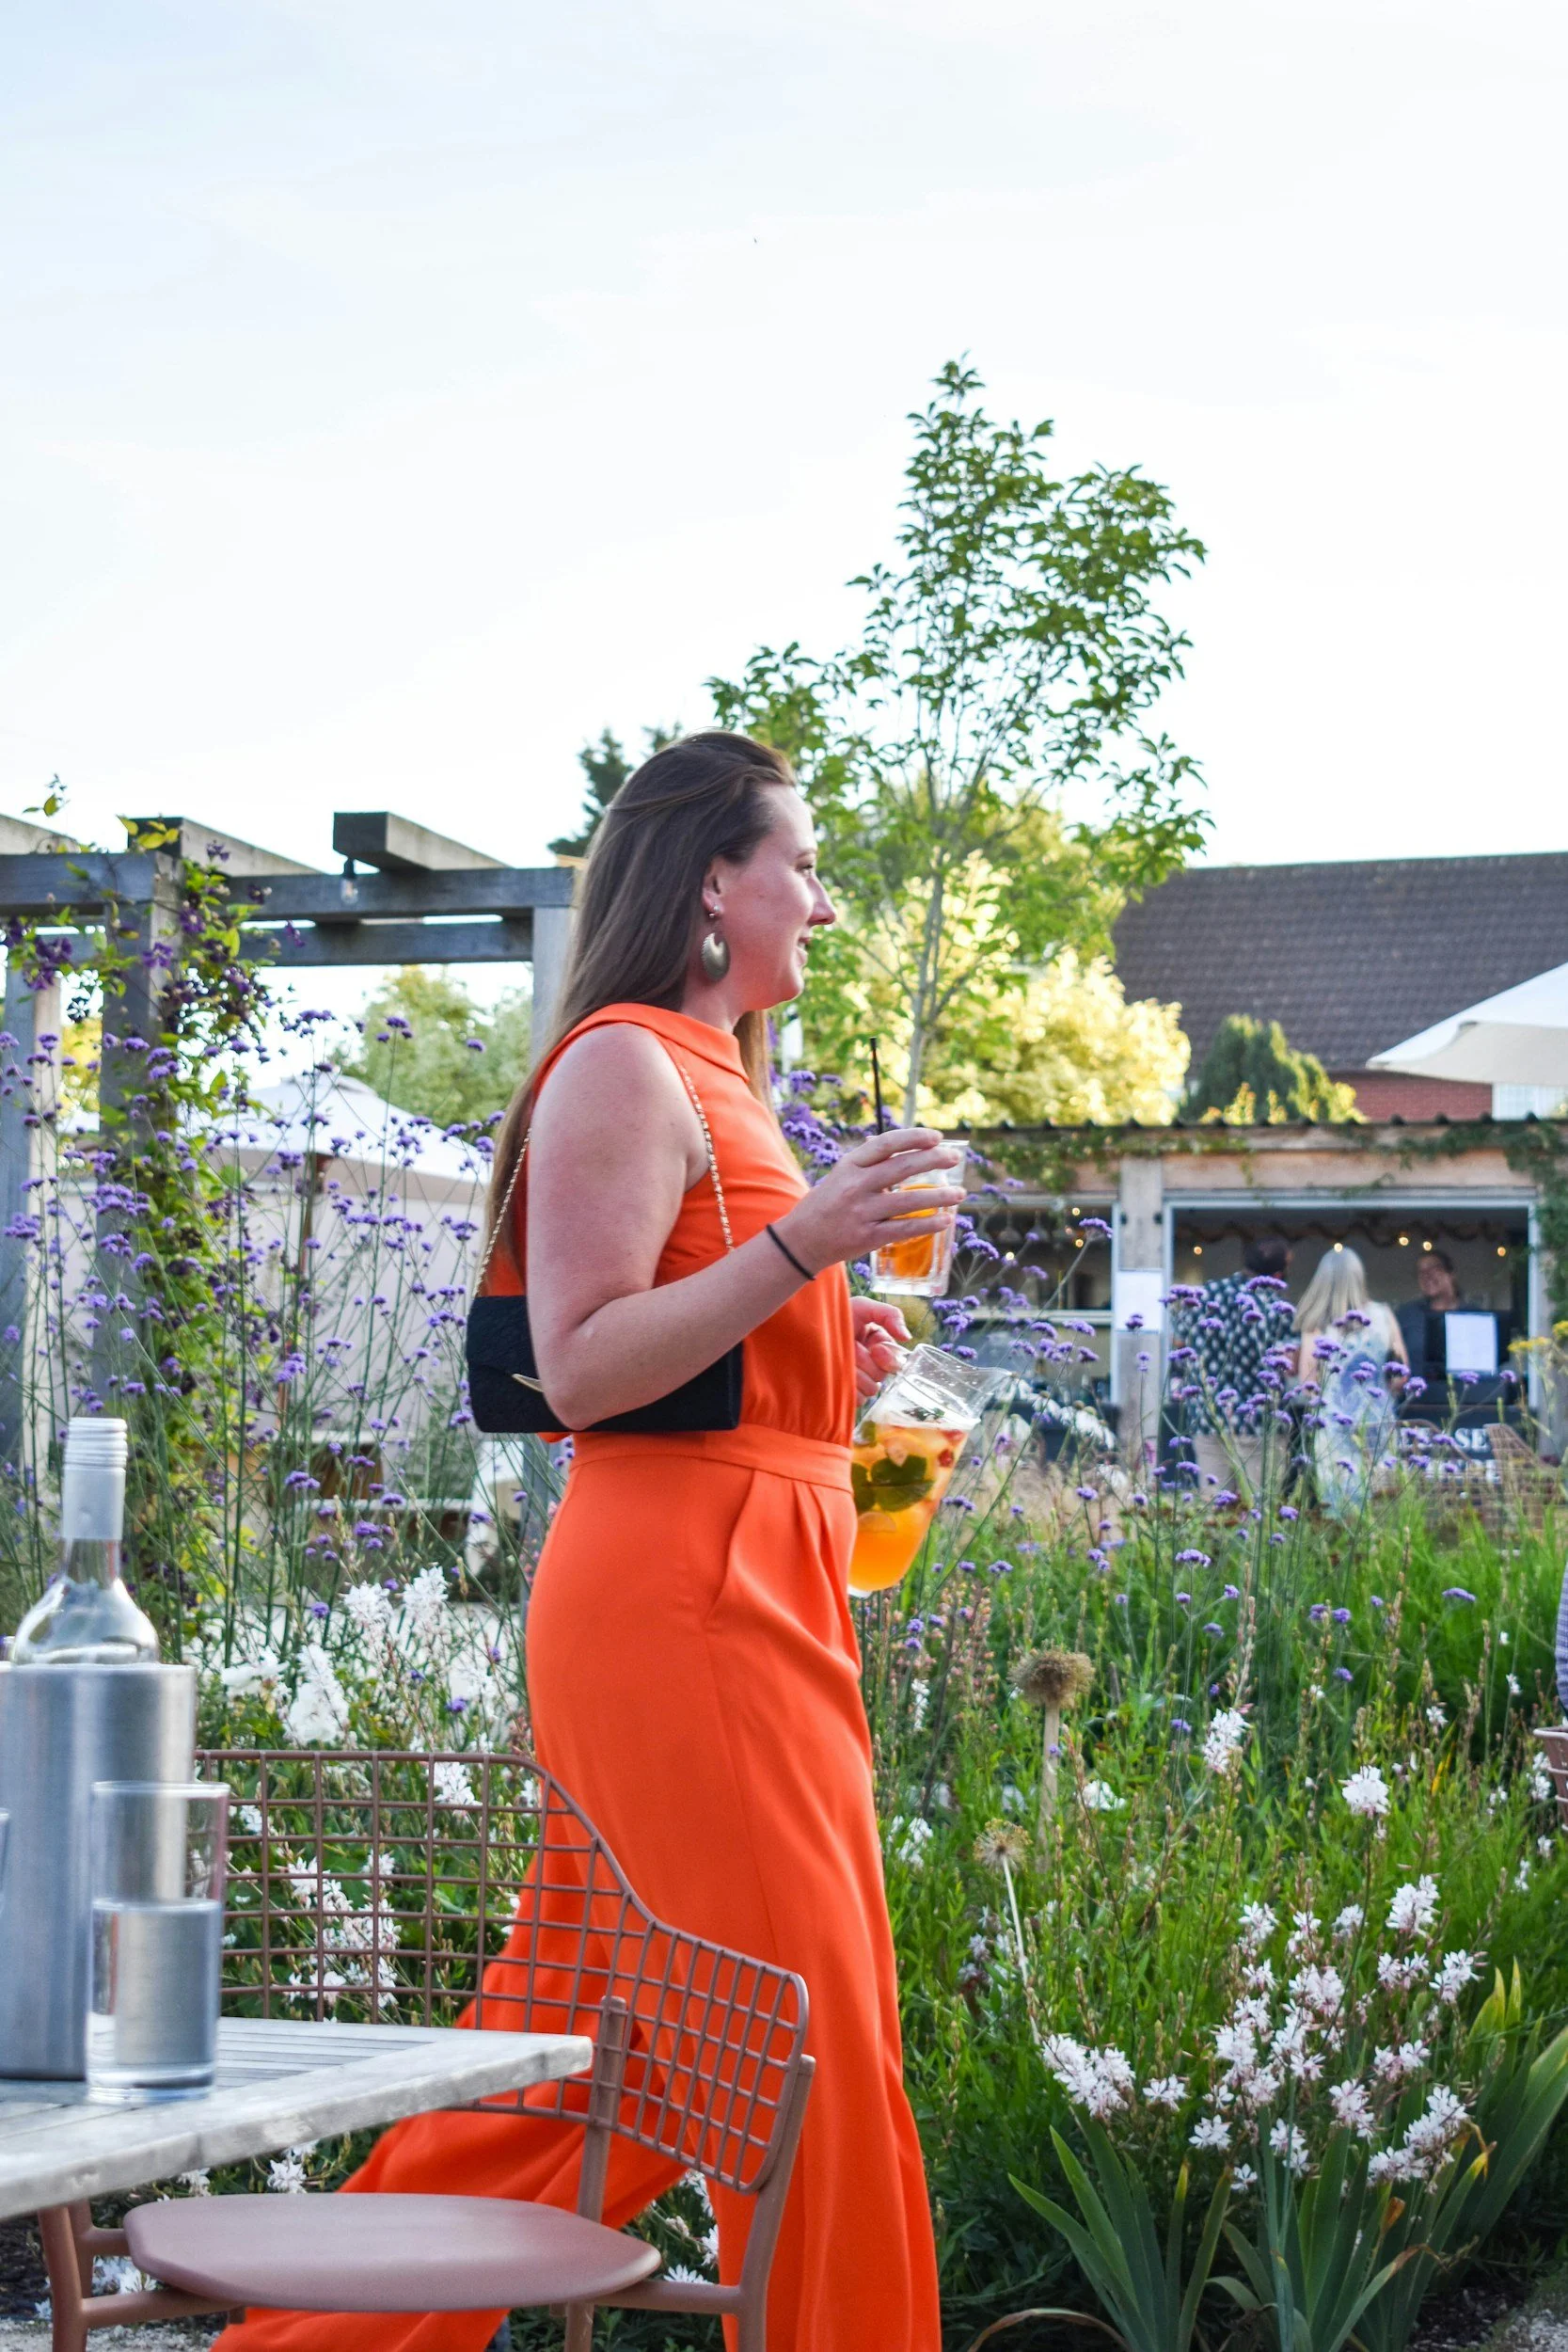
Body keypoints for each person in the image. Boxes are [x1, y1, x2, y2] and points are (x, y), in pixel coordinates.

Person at [214, 733, 960, 2352]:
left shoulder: (719, 1074)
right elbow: (576, 1365)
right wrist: (803, 1247)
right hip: (687, 1609)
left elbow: (685, 1346)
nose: (824, 903)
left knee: (592, 2060)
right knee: (805, 2047)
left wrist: (823, 1346)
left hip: (760, 1580)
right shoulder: (624, 1062)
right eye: (803, 866)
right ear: (712, 884)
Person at [1174, 1238, 1296, 1500]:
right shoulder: (1277, 1307)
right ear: (1277, 1275)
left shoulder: (1207, 1294)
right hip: (1259, 1422)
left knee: (1214, 1506)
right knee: (1261, 1508)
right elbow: (1290, 1364)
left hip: (1209, 1417)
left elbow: (1180, 1343)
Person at [1294, 1247, 1407, 1518]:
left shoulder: (1318, 1324)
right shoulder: (1383, 1315)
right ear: (1359, 1277)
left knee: (1339, 1510)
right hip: (1378, 1426)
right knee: (1382, 1508)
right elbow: (1401, 1375)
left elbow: (1308, 1384)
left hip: (1333, 1430)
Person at [1395, 1248, 1465, 1397]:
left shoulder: (1472, 1314)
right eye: (1421, 1272)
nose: (1427, 1275)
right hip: (1415, 1401)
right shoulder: (1406, 1314)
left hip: (1464, 1399)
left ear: (1451, 1274)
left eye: (1434, 1269)